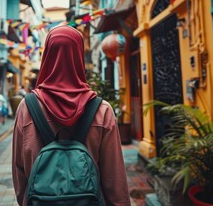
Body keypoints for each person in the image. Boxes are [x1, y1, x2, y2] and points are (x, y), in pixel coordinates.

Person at [12, 26, 131, 205]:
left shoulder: (26, 108)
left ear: (47, 56)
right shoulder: (101, 110)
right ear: (78, 57)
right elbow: (115, 179)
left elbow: (19, 172)